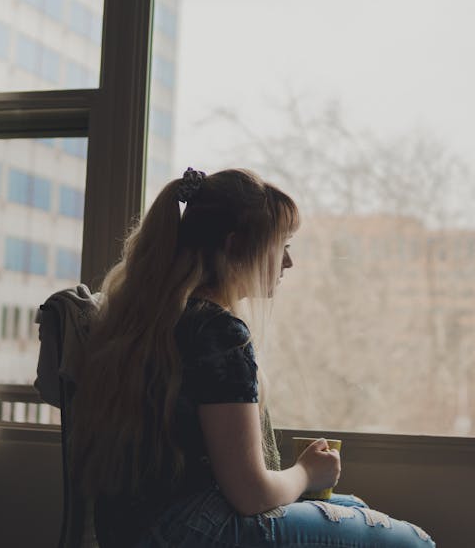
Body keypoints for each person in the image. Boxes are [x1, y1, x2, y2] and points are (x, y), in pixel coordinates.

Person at [70, 167, 435, 547]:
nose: (287, 262)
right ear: (234, 246)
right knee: (413, 543)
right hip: (196, 530)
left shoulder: (156, 319)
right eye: (282, 245)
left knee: (354, 506)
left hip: (138, 530)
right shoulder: (218, 332)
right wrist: (307, 473)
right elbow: (251, 494)